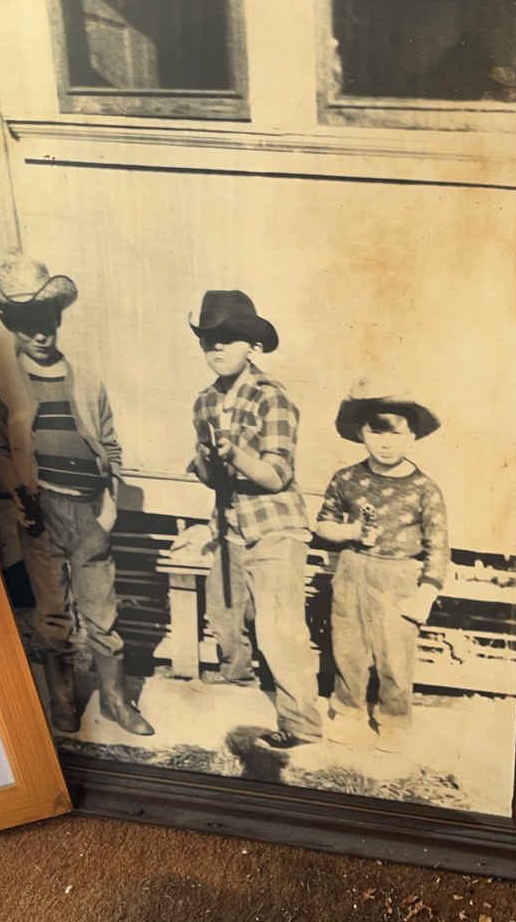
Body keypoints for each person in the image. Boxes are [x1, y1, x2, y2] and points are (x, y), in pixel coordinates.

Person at [0, 251, 152, 737]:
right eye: (27, 322)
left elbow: (110, 445)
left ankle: (116, 702)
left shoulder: (87, 380)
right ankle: (63, 701)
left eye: (46, 319)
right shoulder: (4, 382)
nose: (40, 332)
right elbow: (0, 448)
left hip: (90, 510)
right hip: (40, 511)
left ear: (59, 318)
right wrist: (20, 495)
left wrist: (109, 509)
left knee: (102, 615)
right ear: (9, 324)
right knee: (52, 616)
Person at [187, 290, 323, 750]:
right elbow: (211, 478)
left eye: (228, 337)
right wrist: (205, 461)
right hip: (230, 528)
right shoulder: (203, 402)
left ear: (253, 345)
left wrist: (234, 454)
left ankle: (302, 726)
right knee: (226, 620)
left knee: (280, 630)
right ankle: (241, 700)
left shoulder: (272, 397)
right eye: (208, 338)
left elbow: (276, 475)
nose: (216, 346)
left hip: (274, 528)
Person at [313, 378, 448, 752]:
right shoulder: (346, 478)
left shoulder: (425, 489)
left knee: (395, 656)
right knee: (348, 648)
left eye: (397, 433)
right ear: (360, 432)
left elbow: (438, 547)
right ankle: (347, 711)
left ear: (412, 436)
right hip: (353, 570)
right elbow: (322, 524)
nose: (386, 442)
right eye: (376, 431)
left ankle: (393, 719)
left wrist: (426, 593)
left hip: (400, 576)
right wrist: (350, 531)